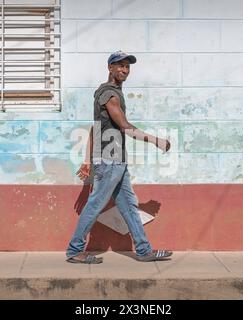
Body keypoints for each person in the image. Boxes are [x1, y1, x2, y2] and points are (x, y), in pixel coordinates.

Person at [66, 51, 172, 264]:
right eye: (120, 65)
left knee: (129, 206)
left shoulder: (107, 93)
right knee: (95, 204)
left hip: (114, 160)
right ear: (110, 68)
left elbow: (95, 129)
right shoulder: (110, 94)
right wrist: (155, 140)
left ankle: (143, 250)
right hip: (110, 159)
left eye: (127, 66)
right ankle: (75, 250)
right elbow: (124, 126)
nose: (124, 70)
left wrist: (88, 160)